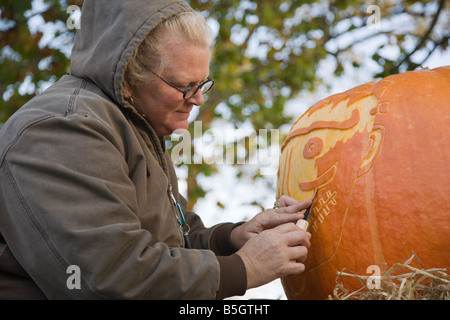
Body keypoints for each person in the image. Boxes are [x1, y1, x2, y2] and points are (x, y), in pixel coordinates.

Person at [0, 0, 311, 299]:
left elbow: (174, 243)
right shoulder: (63, 128)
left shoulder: (139, 129)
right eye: (184, 86)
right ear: (127, 77)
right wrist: (246, 267)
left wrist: (232, 239)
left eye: (202, 84)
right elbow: (106, 278)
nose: (198, 99)